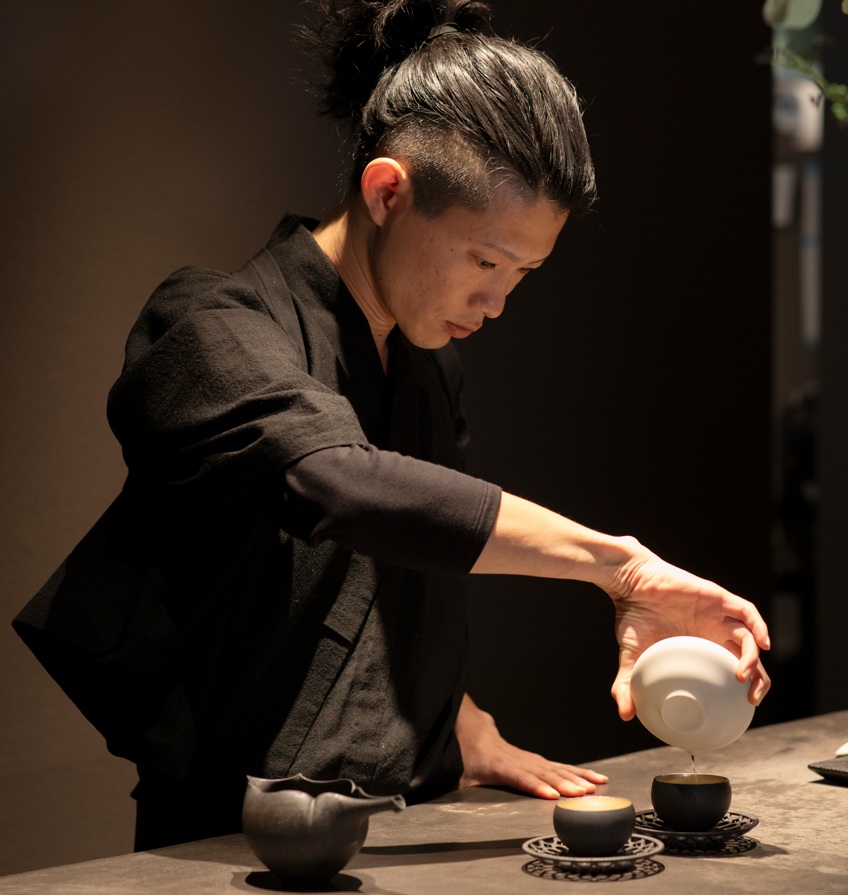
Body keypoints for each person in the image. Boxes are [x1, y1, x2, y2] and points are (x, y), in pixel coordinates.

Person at [13, 0, 770, 852]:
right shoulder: (208, 326)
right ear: (387, 193)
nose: (496, 302)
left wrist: (461, 717)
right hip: (234, 838)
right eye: (485, 260)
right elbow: (341, 483)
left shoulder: (427, 366)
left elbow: (400, 568)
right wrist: (619, 565)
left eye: (522, 273)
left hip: (415, 815)